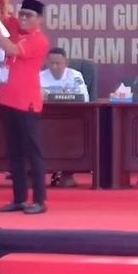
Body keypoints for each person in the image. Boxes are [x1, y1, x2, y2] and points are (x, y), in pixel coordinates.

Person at [0, 0, 52, 215]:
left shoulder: (39, 40)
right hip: (8, 99)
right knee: (14, 153)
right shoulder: (16, 29)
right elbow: (0, 7)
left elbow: (10, 48)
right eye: (22, 15)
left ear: (40, 20)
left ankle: (39, 200)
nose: (24, 19)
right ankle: (19, 198)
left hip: (27, 103)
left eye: (30, 16)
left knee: (32, 153)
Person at [40, 47, 89, 189]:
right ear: (47, 63)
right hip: (46, 120)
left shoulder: (75, 75)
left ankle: (67, 172)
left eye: (58, 63)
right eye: (51, 63)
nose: (54, 67)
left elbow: (85, 98)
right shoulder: (39, 76)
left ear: (66, 62)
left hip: (71, 119)